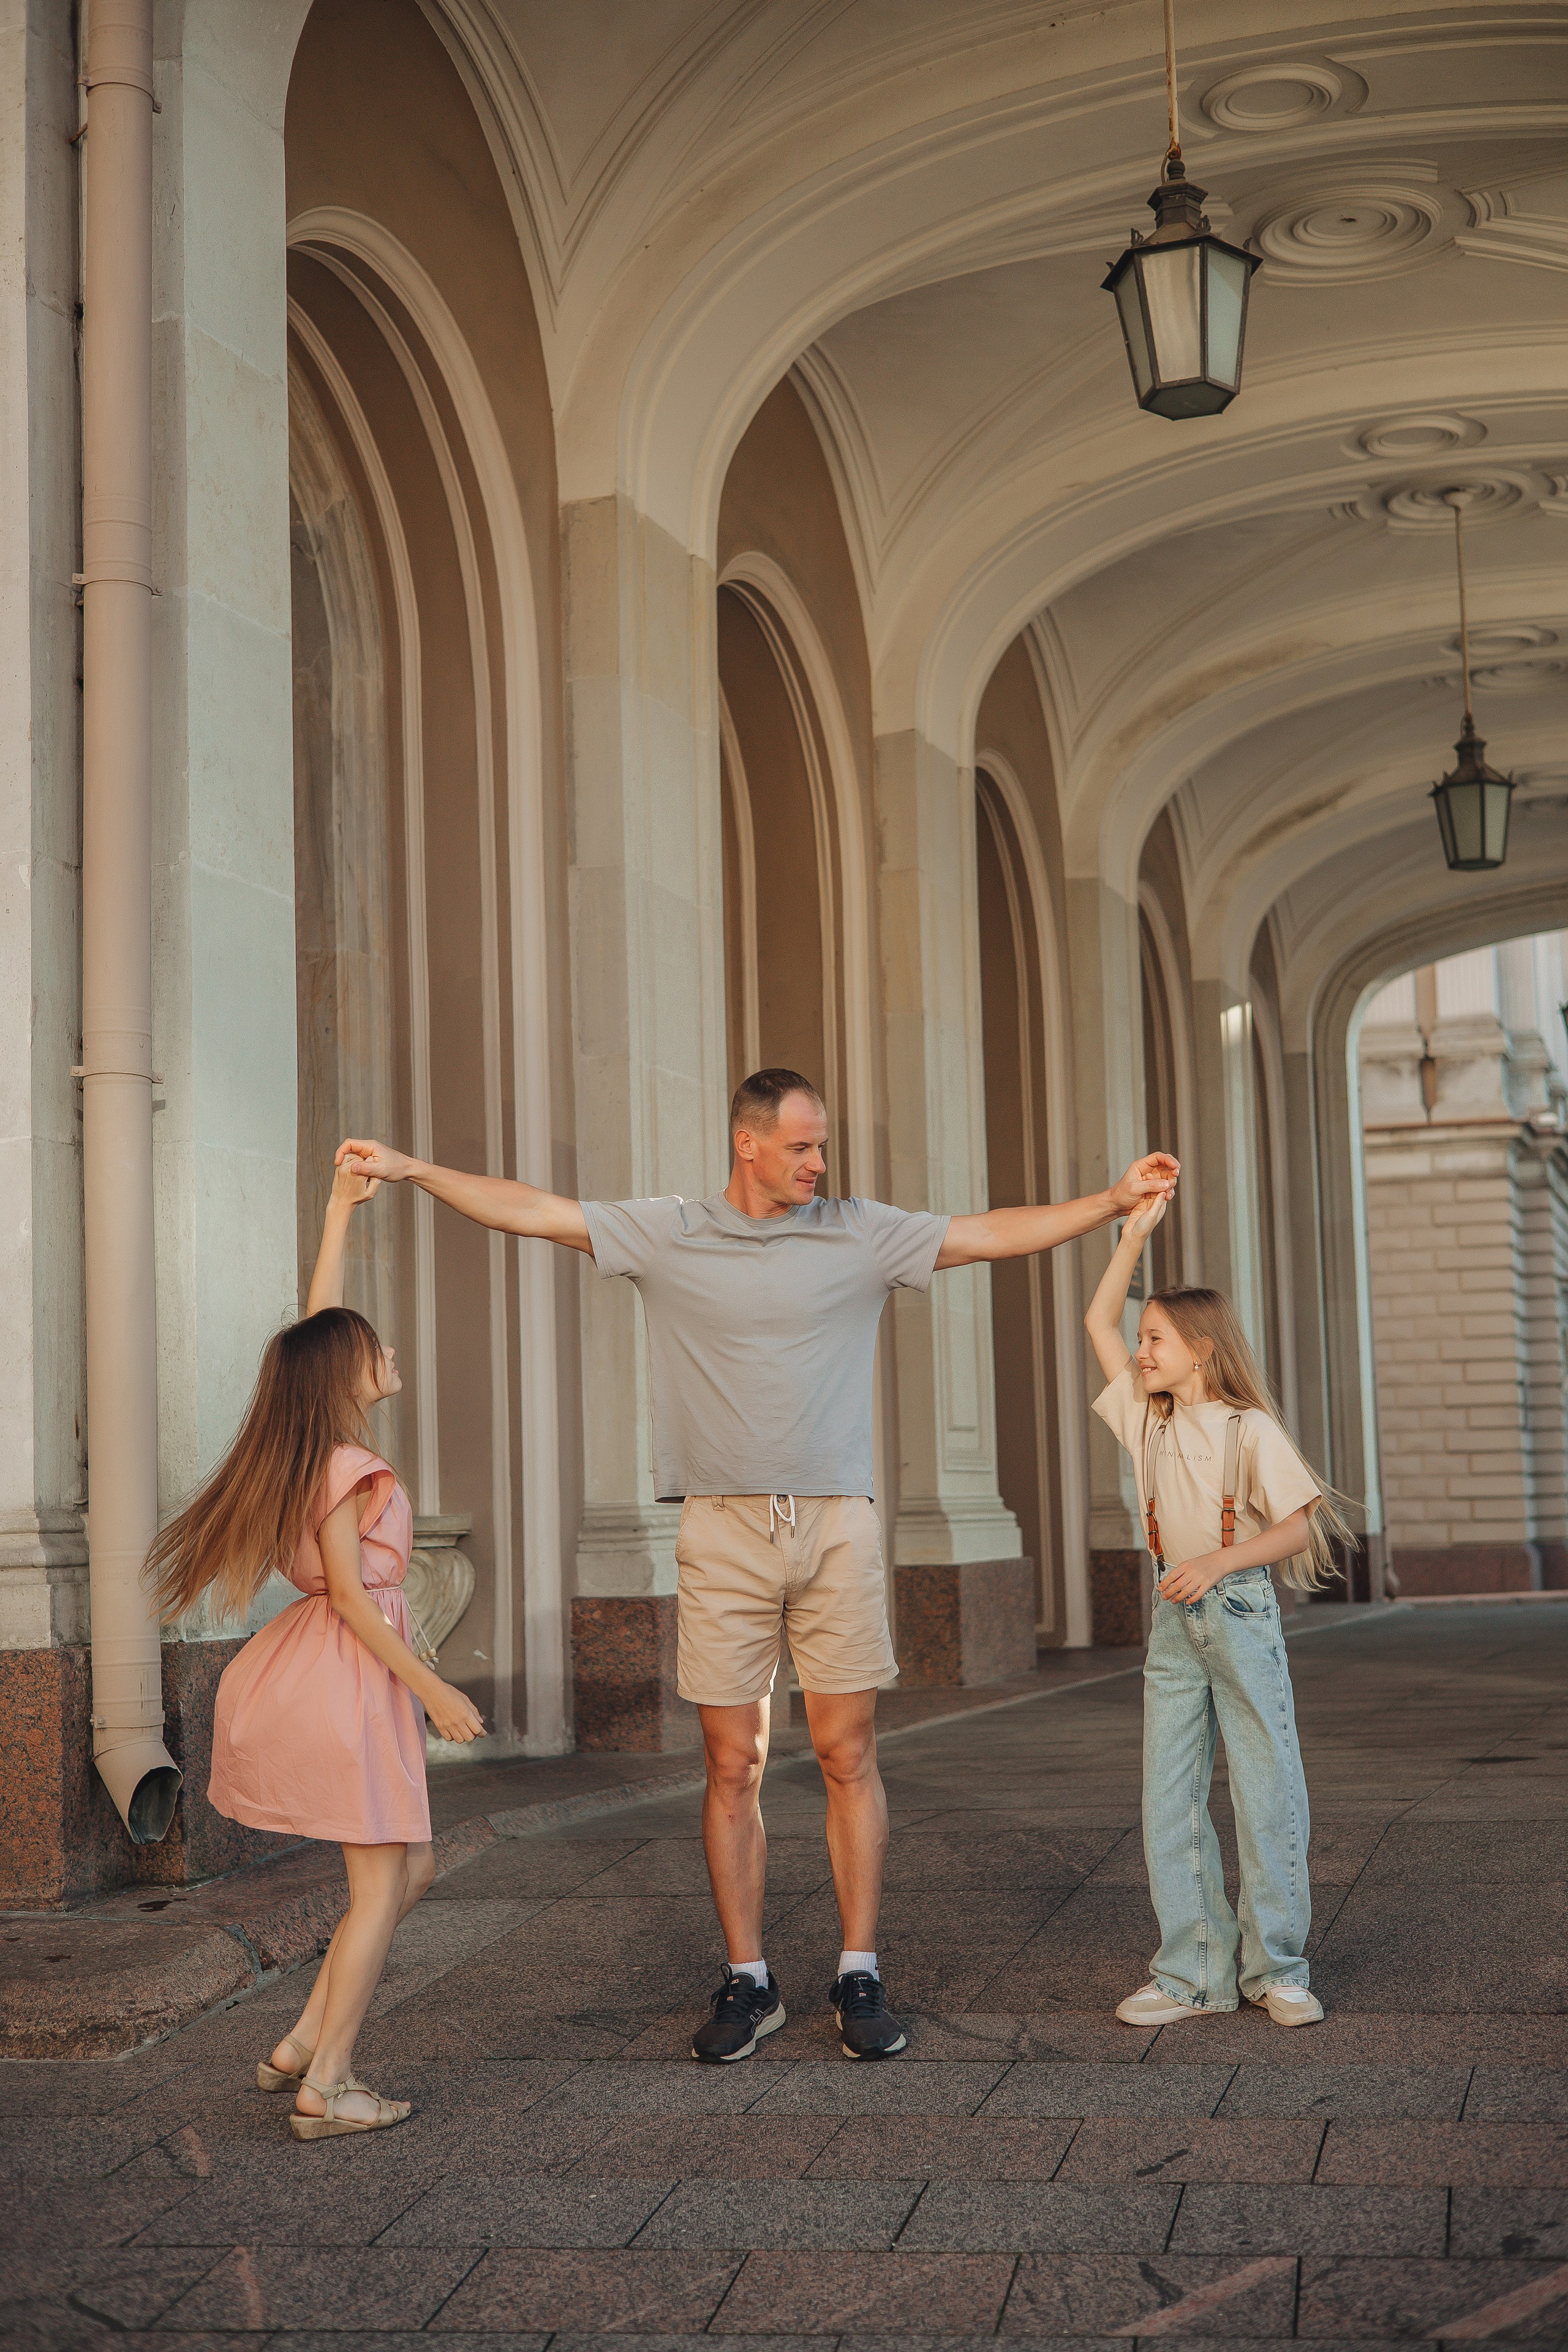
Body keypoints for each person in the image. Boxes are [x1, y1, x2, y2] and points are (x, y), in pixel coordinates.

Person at [338, 1071, 1177, 2062]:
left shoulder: (860, 1232)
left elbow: (989, 1231)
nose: (819, 1164)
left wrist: (1111, 1203)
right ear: (748, 1144)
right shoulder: (670, 1232)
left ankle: (858, 1970)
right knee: (730, 1764)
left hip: (835, 1523)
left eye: (820, 1147)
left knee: (846, 1754)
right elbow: (534, 1211)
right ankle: (749, 1980)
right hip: (721, 1528)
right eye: (801, 1147)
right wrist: (412, 1167)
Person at [148, 1163, 484, 2138]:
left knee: (408, 1873)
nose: (389, 1349)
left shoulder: (315, 1445)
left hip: (331, 1665)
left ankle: (302, 2041)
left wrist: (338, 1211)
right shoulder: (352, 1466)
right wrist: (432, 1688)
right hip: (356, 1668)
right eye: (375, 1344)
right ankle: (329, 2084)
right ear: (348, 1371)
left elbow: (314, 1331)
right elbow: (349, 1592)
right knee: (383, 1885)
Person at [1084, 1193, 1351, 2029]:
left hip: (1235, 1609)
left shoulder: (1249, 1429)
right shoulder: (1146, 1418)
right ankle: (1193, 1973)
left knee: (1266, 1787)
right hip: (1174, 1621)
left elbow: (1299, 1525)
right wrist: (1132, 1237)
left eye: (1156, 1339)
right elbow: (1097, 1319)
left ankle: (1277, 1969)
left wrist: (1217, 1562)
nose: (1140, 1349)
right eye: (1144, 1338)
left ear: (1201, 1352)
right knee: (1169, 1794)